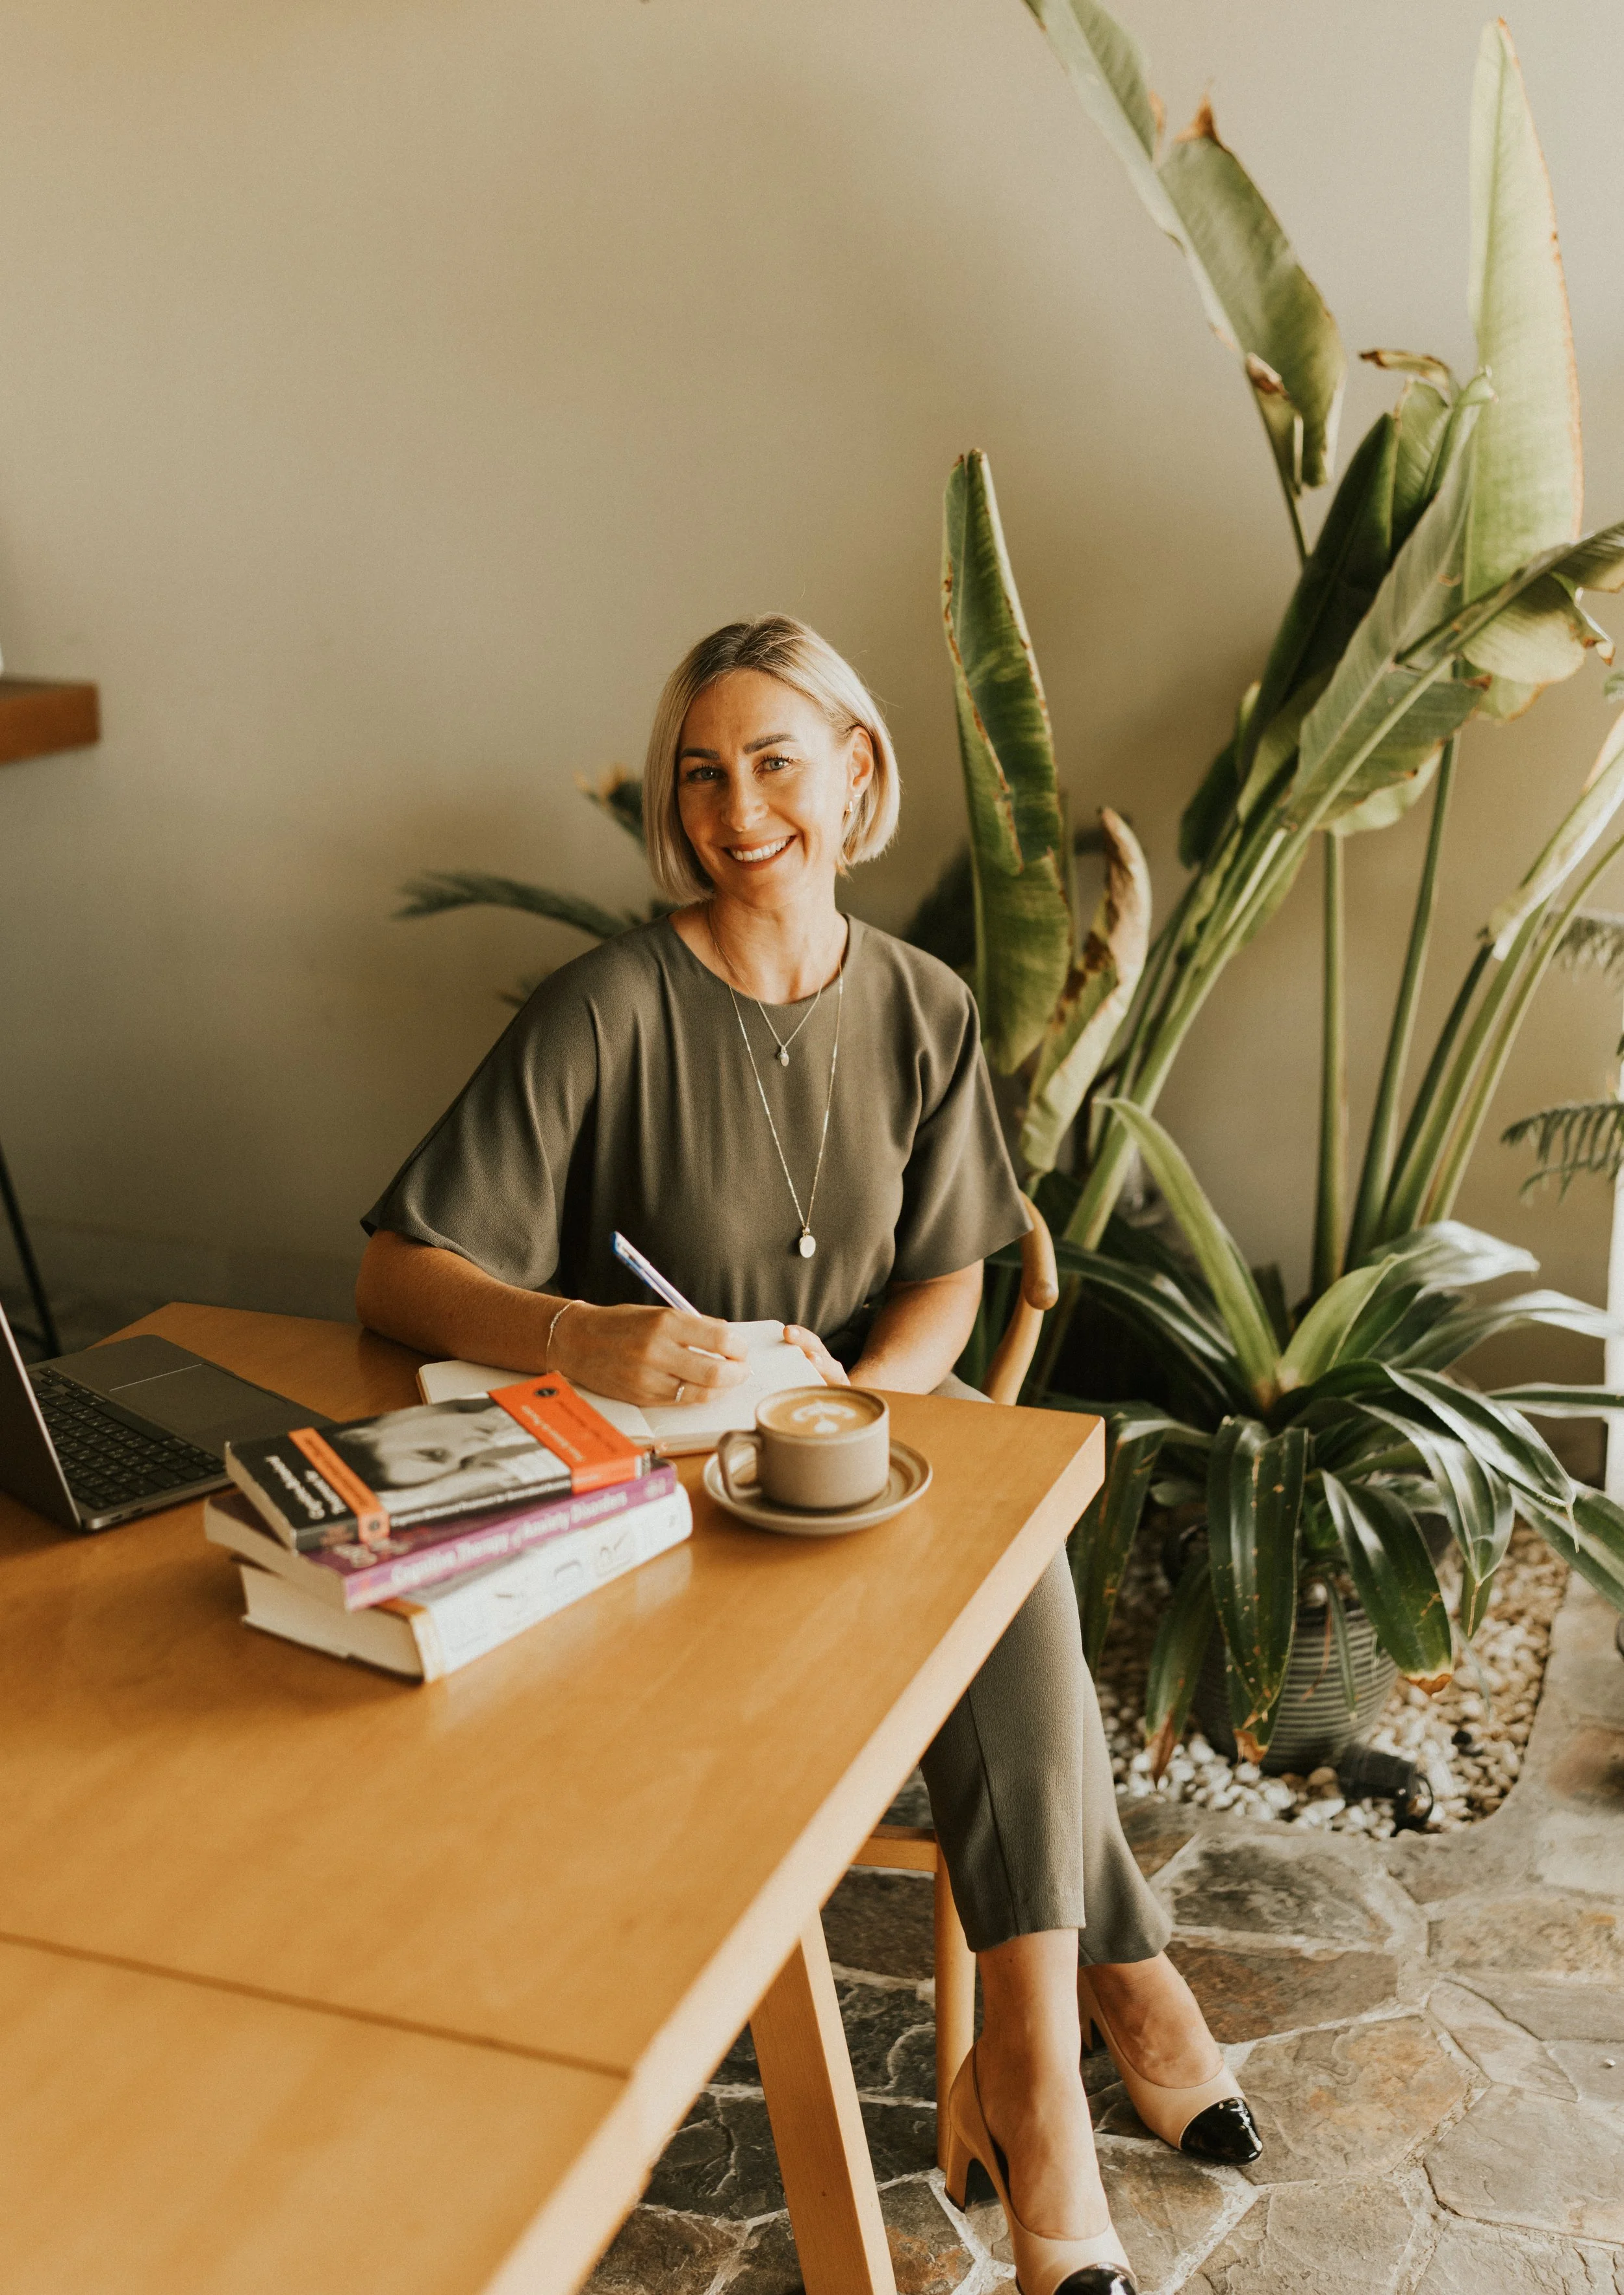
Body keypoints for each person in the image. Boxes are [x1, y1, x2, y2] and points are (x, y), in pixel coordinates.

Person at [355, 616, 1260, 2295]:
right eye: (701, 769)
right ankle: (1106, 2009)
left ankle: (1047, 2072)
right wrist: (580, 1334)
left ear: (856, 770)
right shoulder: (606, 1006)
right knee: (1017, 1579)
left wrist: (879, 1400)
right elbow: (398, 1271)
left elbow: (950, 1268)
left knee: (999, 1561)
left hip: (841, 1464)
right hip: (662, 1514)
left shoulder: (918, 1002)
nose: (733, 801)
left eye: (775, 756)